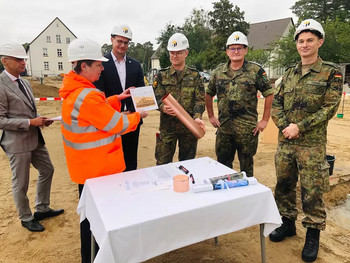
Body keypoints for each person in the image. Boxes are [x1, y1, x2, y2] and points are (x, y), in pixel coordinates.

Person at [59, 38, 147, 263]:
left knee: (89, 220)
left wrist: (116, 99)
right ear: (83, 66)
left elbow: (96, 110)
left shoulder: (77, 91)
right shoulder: (88, 96)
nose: (102, 67)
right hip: (98, 171)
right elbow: (116, 124)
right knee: (97, 224)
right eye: (98, 64)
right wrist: (138, 116)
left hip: (87, 168)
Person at [269, 19, 343, 262]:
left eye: (310, 40)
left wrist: (299, 127)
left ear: (320, 42)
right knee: (284, 184)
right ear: (296, 45)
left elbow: (329, 108)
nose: (305, 44)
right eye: (301, 41)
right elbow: (276, 104)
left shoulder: (331, 72)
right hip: (286, 142)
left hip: (311, 145)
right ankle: (287, 223)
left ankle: (313, 234)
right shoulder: (289, 73)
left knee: (312, 191)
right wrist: (285, 127)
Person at [0, 41, 64, 232]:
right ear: (5, 61)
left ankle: (42, 208)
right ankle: (26, 217)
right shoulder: (1, 86)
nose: (23, 63)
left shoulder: (25, 83)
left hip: (35, 139)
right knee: (21, 182)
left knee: (48, 169)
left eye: (24, 59)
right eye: (19, 59)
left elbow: (28, 111)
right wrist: (29, 123)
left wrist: (39, 119)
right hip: (17, 143)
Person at [205, 31, 274, 177]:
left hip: (247, 130)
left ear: (246, 50)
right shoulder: (218, 72)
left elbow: (269, 93)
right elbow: (208, 93)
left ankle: (247, 196)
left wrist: (265, 120)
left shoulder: (256, 71)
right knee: (223, 167)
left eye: (239, 48)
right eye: (232, 48)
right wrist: (211, 116)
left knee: (246, 168)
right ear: (227, 51)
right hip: (224, 129)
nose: (236, 51)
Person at [94, 24, 145, 171]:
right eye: (119, 41)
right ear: (112, 40)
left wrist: (129, 112)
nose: (122, 45)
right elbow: (100, 94)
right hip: (109, 122)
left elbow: (141, 92)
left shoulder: (135, 65)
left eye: (126, 42)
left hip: (132, 121)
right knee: (111, 163)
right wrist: (116, 114)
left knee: (130, 162)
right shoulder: (101, 64)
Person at [153, 33, 205, 165]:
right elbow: (156, 97)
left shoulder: (195, 76)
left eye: (178, 52)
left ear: (186, 53)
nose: (174, 56)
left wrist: (197, 116)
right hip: (167, 128)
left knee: (187, 165)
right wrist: (162, 107)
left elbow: (200, 100)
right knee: (162, 164)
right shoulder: (161, 76)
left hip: (188, 128)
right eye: (172, 52)